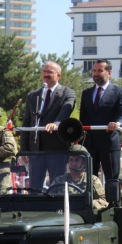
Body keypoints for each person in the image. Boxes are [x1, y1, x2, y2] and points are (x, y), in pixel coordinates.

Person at [21, 61, 76, 189]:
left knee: (57, 186)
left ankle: (57, 209)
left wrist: (56, 124)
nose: (46, 74)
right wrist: (24, 149)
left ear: (58, 75)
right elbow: (27, 123)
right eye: (44, 71)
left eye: (50, 72)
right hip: (36, 149)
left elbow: (65, 112)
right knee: (34, 188)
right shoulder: (33, 96)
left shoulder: (68, 93)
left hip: (56, 148)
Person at [79, 59, 122, 180]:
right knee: (89, 181)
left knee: (112, 181)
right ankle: (92, 200)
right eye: (94, 71)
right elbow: (83, 119)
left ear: (109, 73)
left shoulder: (119, 92)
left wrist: (117, 123)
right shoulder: (86, 93)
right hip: (90, 145)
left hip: (109, 143)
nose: (96, 74)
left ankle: (113, 200)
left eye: (100, 71)